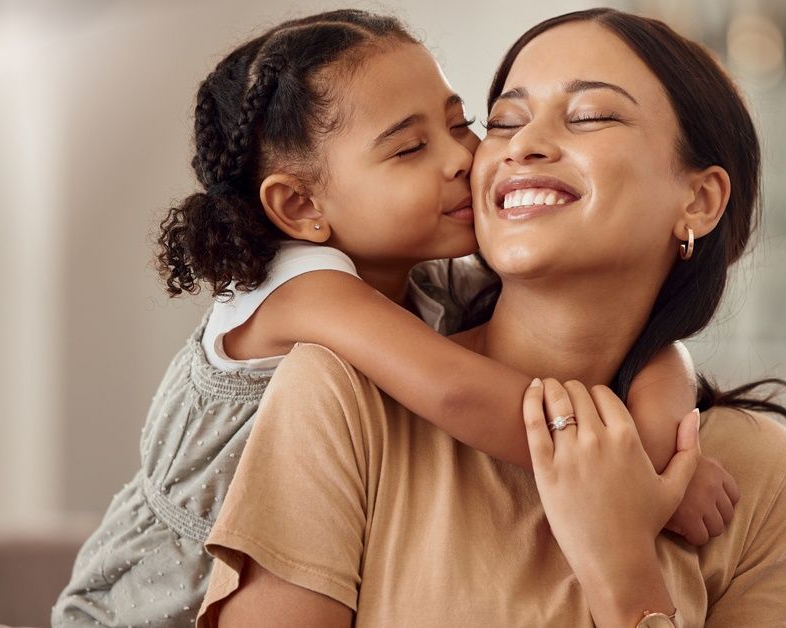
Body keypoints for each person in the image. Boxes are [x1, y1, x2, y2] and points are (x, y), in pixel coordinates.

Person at [53, 9, 739, 627]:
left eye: (461, 122)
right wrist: (630, 473)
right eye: (410, 149)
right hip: (149, 601)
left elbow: (630, 335)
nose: (463, 158)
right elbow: (458, 391)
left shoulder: (425, 280)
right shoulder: (305, 292)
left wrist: (664, 423)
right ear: (300, 208)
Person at [197, 8, 786, 628]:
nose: (522, 146)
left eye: (591, 115)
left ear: (700, 200)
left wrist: (623, 569)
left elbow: (656, 358)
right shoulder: (340, 396)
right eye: (506, 121)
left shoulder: (754, 469)